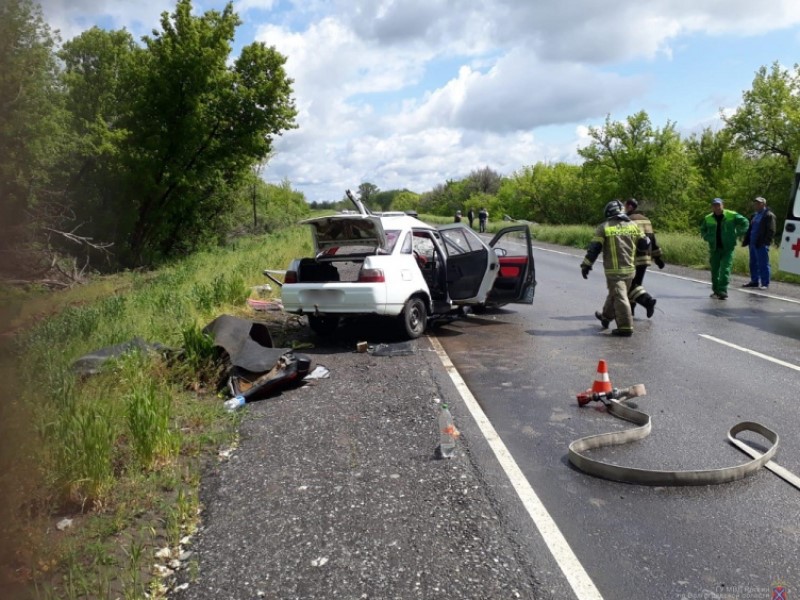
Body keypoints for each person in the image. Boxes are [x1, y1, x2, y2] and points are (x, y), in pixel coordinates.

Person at [580, 200, 649, 337]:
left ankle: (625, 327)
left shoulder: (604, 227)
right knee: (616, 293)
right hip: (630, 271)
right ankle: (606, 317)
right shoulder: (633, 226)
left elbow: (594, 248)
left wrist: (586, 264)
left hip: (614, 271)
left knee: (620, 296)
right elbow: (644, 243)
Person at [699, 198, 749, 300]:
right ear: (712, 207)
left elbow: (745, 222)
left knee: (725, 270)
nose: (717, 207)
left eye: (718, 205)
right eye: (714, 205)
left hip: (728, 248)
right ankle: (715, 291)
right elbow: (703, 229)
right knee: (715, 271)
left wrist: (737, 233)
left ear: (723, 205)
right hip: (714, 248)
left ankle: (722, 290)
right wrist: (707, 237)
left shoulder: (732, 215)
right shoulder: (708, 218)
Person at [624, 199, 662, 318]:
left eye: (624, 206)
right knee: (636, 284)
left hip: (633, 257)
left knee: (629, 285)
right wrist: (657, 257)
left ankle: (648, 302)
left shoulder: (627, 220)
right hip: (645, 257)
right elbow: (652, 239)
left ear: (629, 207)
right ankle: (631, 311)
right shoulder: (646, 220)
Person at [741, 196, 776, 290]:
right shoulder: (754, 215)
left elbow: (771, 230)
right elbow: (751, 228)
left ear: (763, 204)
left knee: (763, 263)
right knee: (753, 263)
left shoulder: (768, 215)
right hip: (752, 243)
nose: (756, 205)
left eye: (758, 203)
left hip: (761, 243)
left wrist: (765, 243)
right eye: (755, 203)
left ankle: (765, 283)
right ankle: (754, 281)